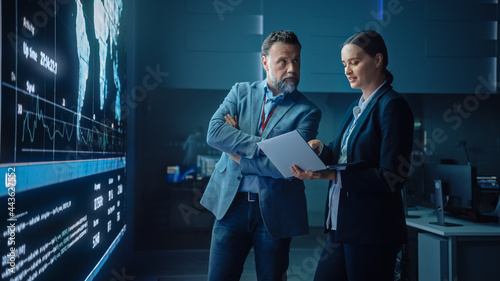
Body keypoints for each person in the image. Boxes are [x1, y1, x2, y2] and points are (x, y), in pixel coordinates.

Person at [291, 30, 414, 281]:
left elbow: (392, 176)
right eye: (345, 64)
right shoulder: (356, 107)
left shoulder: (392, 106)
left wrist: (331, 175)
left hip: (372, 231)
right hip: (343, 225)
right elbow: (342, 153)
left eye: (354, 62)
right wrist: (322, 150)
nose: (347, 70)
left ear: (378, 60)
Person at [200, 30, 322, 281]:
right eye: (283, 61)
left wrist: (234, 145)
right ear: (265, 61)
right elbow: (214, 133)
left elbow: (285, 168)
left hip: (275, 213)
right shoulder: (240, 92)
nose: (292, 68)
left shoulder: (308, 111)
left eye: (296, 60)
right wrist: (265, 146)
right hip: (230, 206)